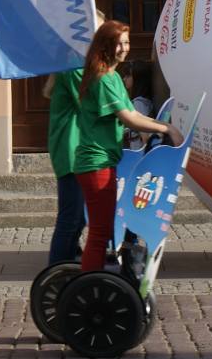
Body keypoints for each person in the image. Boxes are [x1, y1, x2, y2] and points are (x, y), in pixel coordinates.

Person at [74, 20, 183, 273]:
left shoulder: (112, 76)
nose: (124, 48)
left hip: (106, 161)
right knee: (101, 231)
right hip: (95, 163)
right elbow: (129, 118)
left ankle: (97, 278)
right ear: (105, 45)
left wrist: (162, 124)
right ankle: (90, 282)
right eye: (119, 43)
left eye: (126, 42)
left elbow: (136, 114)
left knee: (106, 227)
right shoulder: (102, 79)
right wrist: (167, 128)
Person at [43, 11, 105, 265]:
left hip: (76, 148)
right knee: (71, 217)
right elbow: (96, 104)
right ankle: (56, 268)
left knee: (78, 216)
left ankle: (68, 261)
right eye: (99, 32)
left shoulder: (81, 63)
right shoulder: (76, 65)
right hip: (72, 149)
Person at [119, 60, 155, 150]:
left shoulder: (139, 104)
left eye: (128, 76)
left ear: (138, 78)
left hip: (138, 156)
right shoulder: (143, 100)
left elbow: (145, 137)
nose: (124, 79)